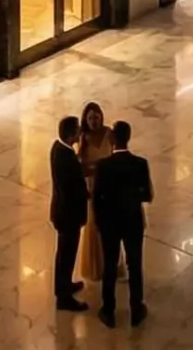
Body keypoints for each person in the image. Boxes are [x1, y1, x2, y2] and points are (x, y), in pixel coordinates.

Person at [92, 120, 154, 327]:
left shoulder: (103, 166)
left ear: (112, 139)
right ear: (129, 137)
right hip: (133, 222)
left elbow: (97, 197)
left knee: (110, 265)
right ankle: (136, 309)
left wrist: (100, 223)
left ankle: (108, 310)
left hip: (110, 223)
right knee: (135, 265)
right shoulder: (140, 163)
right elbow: (146, 195)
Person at [48, 116, 89, 311]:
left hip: (62, 212)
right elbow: (71, 188)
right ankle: (63, 296)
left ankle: (64, 285)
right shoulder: (66, 158)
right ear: (72, 133)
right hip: (68, 215)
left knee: (65, 254)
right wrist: (87, 195)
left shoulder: (59, 149)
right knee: (66, 254)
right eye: (78, 130)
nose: (80, 133)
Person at [76, 101, 113, 282]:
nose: (94, 121)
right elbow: (81, 168)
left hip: (109, 186)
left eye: (96, 117)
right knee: (94, 224)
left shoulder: (109, 134)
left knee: (110, 225)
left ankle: (111, 263)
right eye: (90, 118)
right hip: (93, 186)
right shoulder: (83, 138)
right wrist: (97, 168)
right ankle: (96, 265)